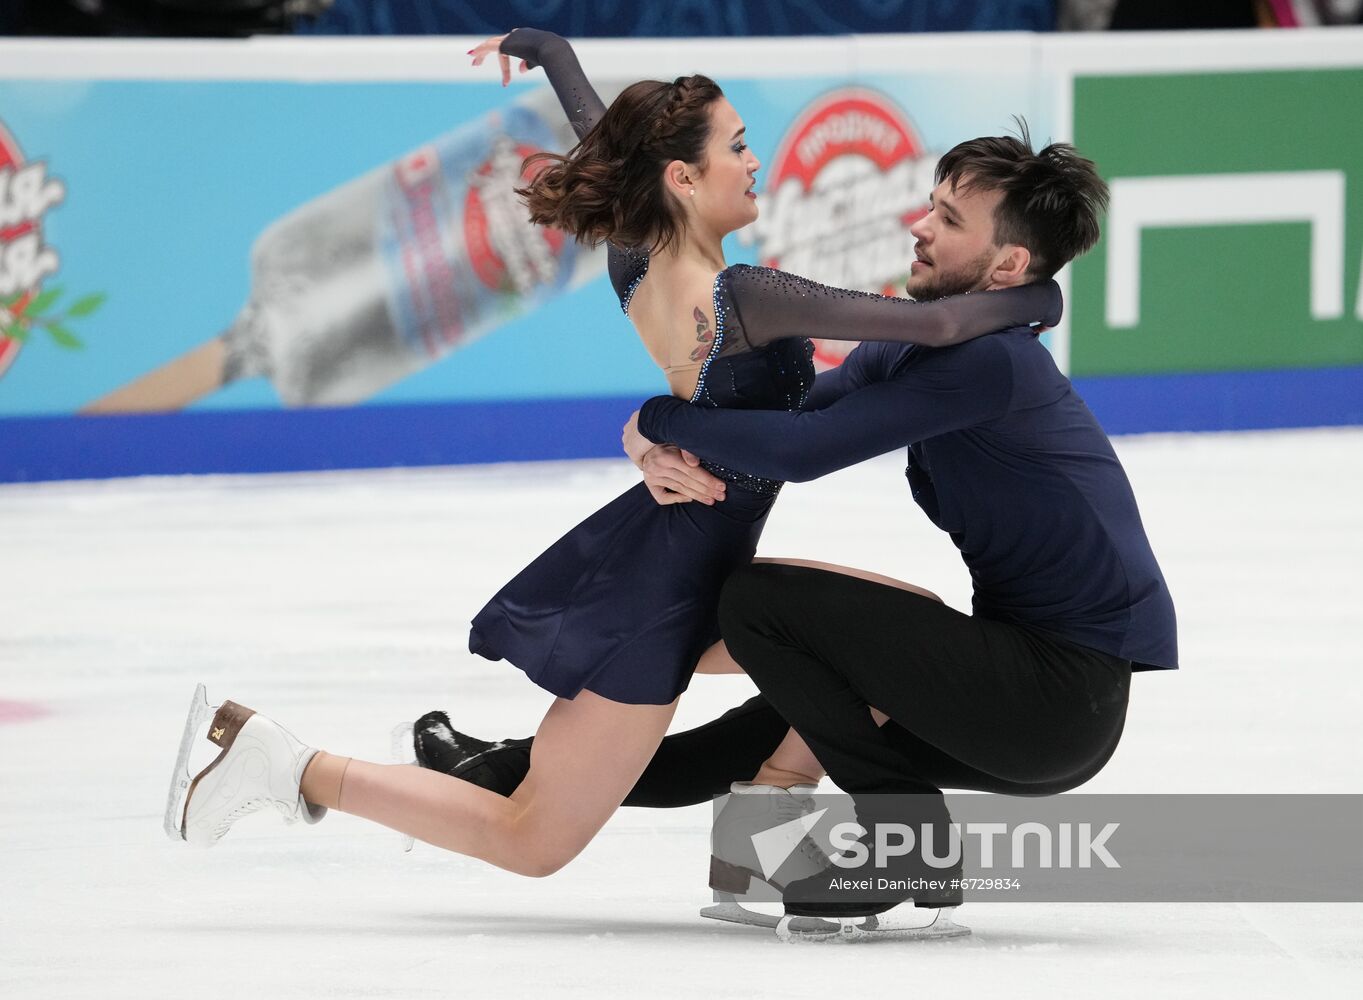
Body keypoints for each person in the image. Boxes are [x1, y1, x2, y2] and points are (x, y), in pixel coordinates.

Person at [163, 27, 1056, 882]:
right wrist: (1037, 297)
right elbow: (934, 322)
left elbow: (609, 139)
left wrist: (549, 51)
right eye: (738, 147)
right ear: (683, 176)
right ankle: (290, 765)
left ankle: (756, 818)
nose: (756, 163)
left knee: (897, 633)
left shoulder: (639, 257)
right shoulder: (745, 295)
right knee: (535, 839)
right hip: (669, 590)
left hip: (686, 562)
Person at [415, 88, 1178, 921]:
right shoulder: (936, 352)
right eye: (930, 204)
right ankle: (501, 769)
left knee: (761, 604)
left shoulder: (992, 367)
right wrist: (644, 440)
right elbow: (791, 417)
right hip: (1016, 684)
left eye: (949, 220)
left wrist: (658, 417)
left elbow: (804, 454)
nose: (919, 227)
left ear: (1005, 267)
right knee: (761, 726)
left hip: (1055, 699)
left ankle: (907, 846)